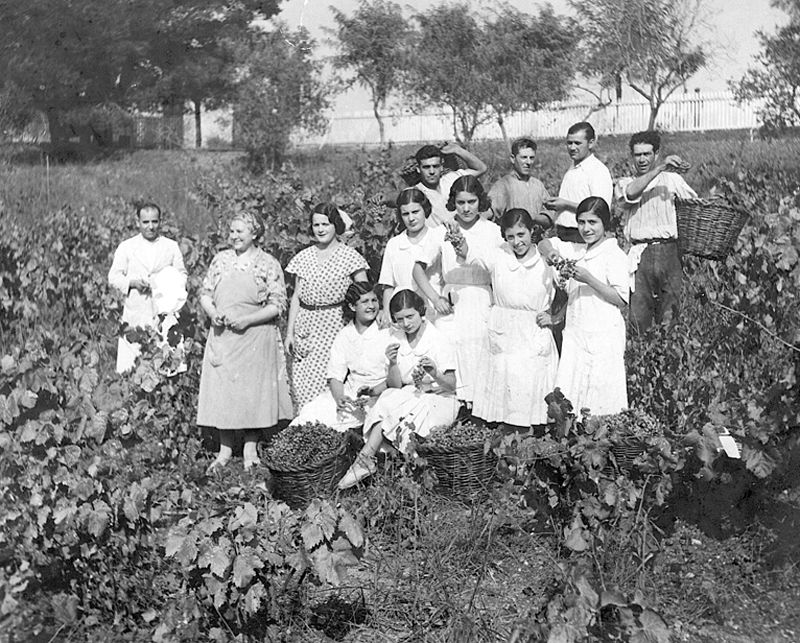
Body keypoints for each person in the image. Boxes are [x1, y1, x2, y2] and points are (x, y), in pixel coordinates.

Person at [197, 212, 293, 472]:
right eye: (232, 231)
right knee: (224, 392)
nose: (234, 236)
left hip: (254, 337)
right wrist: (213, 313)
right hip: (224, 337)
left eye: (240, 231)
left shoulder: (268, 263)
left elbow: (277, 305)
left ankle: (250, 448)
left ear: (255, 234)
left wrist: (249, 320)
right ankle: (225, 449)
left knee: (253, 394)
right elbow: (205, 294)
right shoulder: (221, 260)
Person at [337, 289, 458, 490]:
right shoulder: (398, 338)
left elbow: (451, 385)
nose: (406, 324)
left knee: (403, 406)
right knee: (389, 397)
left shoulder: (438, 339)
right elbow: (396, 384)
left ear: (422, 312)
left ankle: (374, 463)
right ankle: (366, 460)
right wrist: (392, 363)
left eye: (410, 316)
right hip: (410, 394)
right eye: (400, 319)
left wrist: (435, 373)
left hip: (439, 398)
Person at [457, 209, 558, 429]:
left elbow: (569, 288)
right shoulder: (498, 255)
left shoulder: (546, 258)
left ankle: (532, 440)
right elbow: (468, 252)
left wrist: (555, 317)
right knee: (503, 389)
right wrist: (458, 241)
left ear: (532, 231)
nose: (517, 242)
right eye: (511, 237)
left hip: (533, 329)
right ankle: (503, 443)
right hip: (503, 328)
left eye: (521, 235)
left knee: (530, 391)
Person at [412, 175, 503, 409]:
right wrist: (435, 297)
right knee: (453, 352)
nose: (466, 208)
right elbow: (418, 269)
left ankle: (481, 410)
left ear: (479, 201)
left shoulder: (492, 231)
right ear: (453, 202)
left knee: (482, 352)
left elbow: (499, 269)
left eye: (471, 202)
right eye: (460, 202)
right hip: (452, 301)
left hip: (482, 298)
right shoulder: (441, 230)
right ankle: (455, 410)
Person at [539, 197, 628, 415]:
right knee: (573, 386)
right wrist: (552, 254)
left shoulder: (613, 254)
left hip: (603, 330)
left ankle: (602, 440)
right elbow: (543, 243)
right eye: (581, 222)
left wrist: (589, 279)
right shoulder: (577, 250)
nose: (586, 228)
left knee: (601, 391)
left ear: (604, 224)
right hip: (578, 329)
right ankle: (574, 439)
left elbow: (621, 299)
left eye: (592, 222)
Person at [285, 203, 369, 409]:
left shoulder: (350, 257)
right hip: (306, 327)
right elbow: (296, 297)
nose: (321, 229)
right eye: (316, 225)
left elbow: (364, 294)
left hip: (335, 326)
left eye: (326, 224)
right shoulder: (303, 257)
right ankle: (307, 431)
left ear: (336, 226)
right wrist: (289, 333)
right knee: (303, 384)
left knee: (331, 381)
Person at [616, 130, 697, 333]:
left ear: (656, 153)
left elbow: (695, 207)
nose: (642, 159)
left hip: (669, 252)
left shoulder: (672, 180)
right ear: (632, 156)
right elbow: (631, 193)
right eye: (638, 155)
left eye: (647, 154)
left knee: (670, 314)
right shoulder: (625, 182)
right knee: (638, 316)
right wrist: (661, 168)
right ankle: (642, 360)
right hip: (640, 254)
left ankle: (667, 359)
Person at [290, 282, 392, 432]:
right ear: (352, 307)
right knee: (311, 412)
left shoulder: (387, 330)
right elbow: (335, 376)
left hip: (382, 392)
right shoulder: (345, 335)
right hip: (352, 394)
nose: (371, 306)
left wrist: (373, 392)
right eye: (365, 302)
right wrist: (340, 399)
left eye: (374, 300)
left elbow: (396, 375)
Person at [108, 203, 186, 373]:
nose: (150, 226)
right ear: (138, 222)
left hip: (164, 312)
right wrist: (133, 283)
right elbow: (113, 277)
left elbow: (182, 275)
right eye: (146, 222)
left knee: (165, 362)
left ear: (160, 221)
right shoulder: (127, 247)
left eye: (154, 221)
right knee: (134, 365)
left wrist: (167, 285)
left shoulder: (171, 246)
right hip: (136, 312)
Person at [377, 188, 445, 327]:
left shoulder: (438, 237)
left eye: (415, 212)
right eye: (405, 214)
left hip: (435, 307)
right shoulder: (394, 244)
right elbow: (388, 285)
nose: (411, 218)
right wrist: (388, 315)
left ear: (425, 210)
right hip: (404, 312)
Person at [544, 122, 613, 243]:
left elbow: (601, 209)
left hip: (582, 235)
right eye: (569, 143)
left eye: (577, 143)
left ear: (590, 143)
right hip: (563, 234)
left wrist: (565, 204)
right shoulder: (573, 168)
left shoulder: (597, 170)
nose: (572, 147)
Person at [413, 142, 488, 226]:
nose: (432, 172)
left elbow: (481, 168)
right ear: (418, 169)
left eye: (435, 166)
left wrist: (457, 150)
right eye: (426, 167)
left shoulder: (452, 179)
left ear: (441, 167)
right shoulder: (415, 193)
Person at [488, 137, 553, 229]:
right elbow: (490, 213)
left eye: (531, 158)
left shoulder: (538, 185)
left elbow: (551, 215)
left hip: (537, 239)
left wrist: (534, 218)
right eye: (523, 157)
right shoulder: (503, 185)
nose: (528, 162)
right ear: (513, 159)